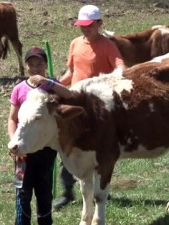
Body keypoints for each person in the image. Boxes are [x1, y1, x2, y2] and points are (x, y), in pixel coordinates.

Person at [53, 4, 126, 210]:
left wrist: (111, 80)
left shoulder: (107, 45)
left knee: (97, 150)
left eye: (89, 26)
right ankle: (67, 192)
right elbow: (71, 72)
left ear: (99, 24)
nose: (85, 29)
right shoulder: (75, 43)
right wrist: (56, 85)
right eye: (82, 26)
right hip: (74, 104)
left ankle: (100, 189)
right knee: (67, 147)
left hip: (96, 108)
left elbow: (121, 67)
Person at [7, 47, 71, 225]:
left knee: (44, 191)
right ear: (26, 66)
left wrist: (48, 82)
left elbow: (70, 95)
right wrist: (14, 142)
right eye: (31, 64)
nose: (35, 69)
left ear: (46, 65)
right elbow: (12, 119)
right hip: (23, 148)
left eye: (40, 64)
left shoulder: (52, 86)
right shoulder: (19, 89)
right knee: (23, 191)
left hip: (46, 148)